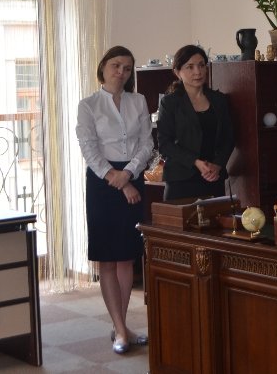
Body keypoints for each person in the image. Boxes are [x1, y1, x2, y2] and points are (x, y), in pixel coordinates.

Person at [76, 46, 153, 355]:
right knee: (108, 258)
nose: (121, 72)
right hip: (102, 181)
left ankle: (122, 325)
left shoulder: (139, 101)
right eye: (116, 65)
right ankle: (120, 328)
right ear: (103, 67)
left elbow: (146, 143)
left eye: (127, 68)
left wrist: (129, 174)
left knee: (126, 257)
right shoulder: (89, 105)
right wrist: (118, 180)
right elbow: (89, 148)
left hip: (132, 174)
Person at [157, 45, 235, 201]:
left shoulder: (219, 100)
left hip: (213, 177)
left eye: (201, 65)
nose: (198, 72)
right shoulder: (170, 102)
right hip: (181, 180)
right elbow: (165, 144)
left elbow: (229, 138)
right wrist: (195, 162)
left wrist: (218, 165)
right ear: (177, 72)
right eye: (190, 67)